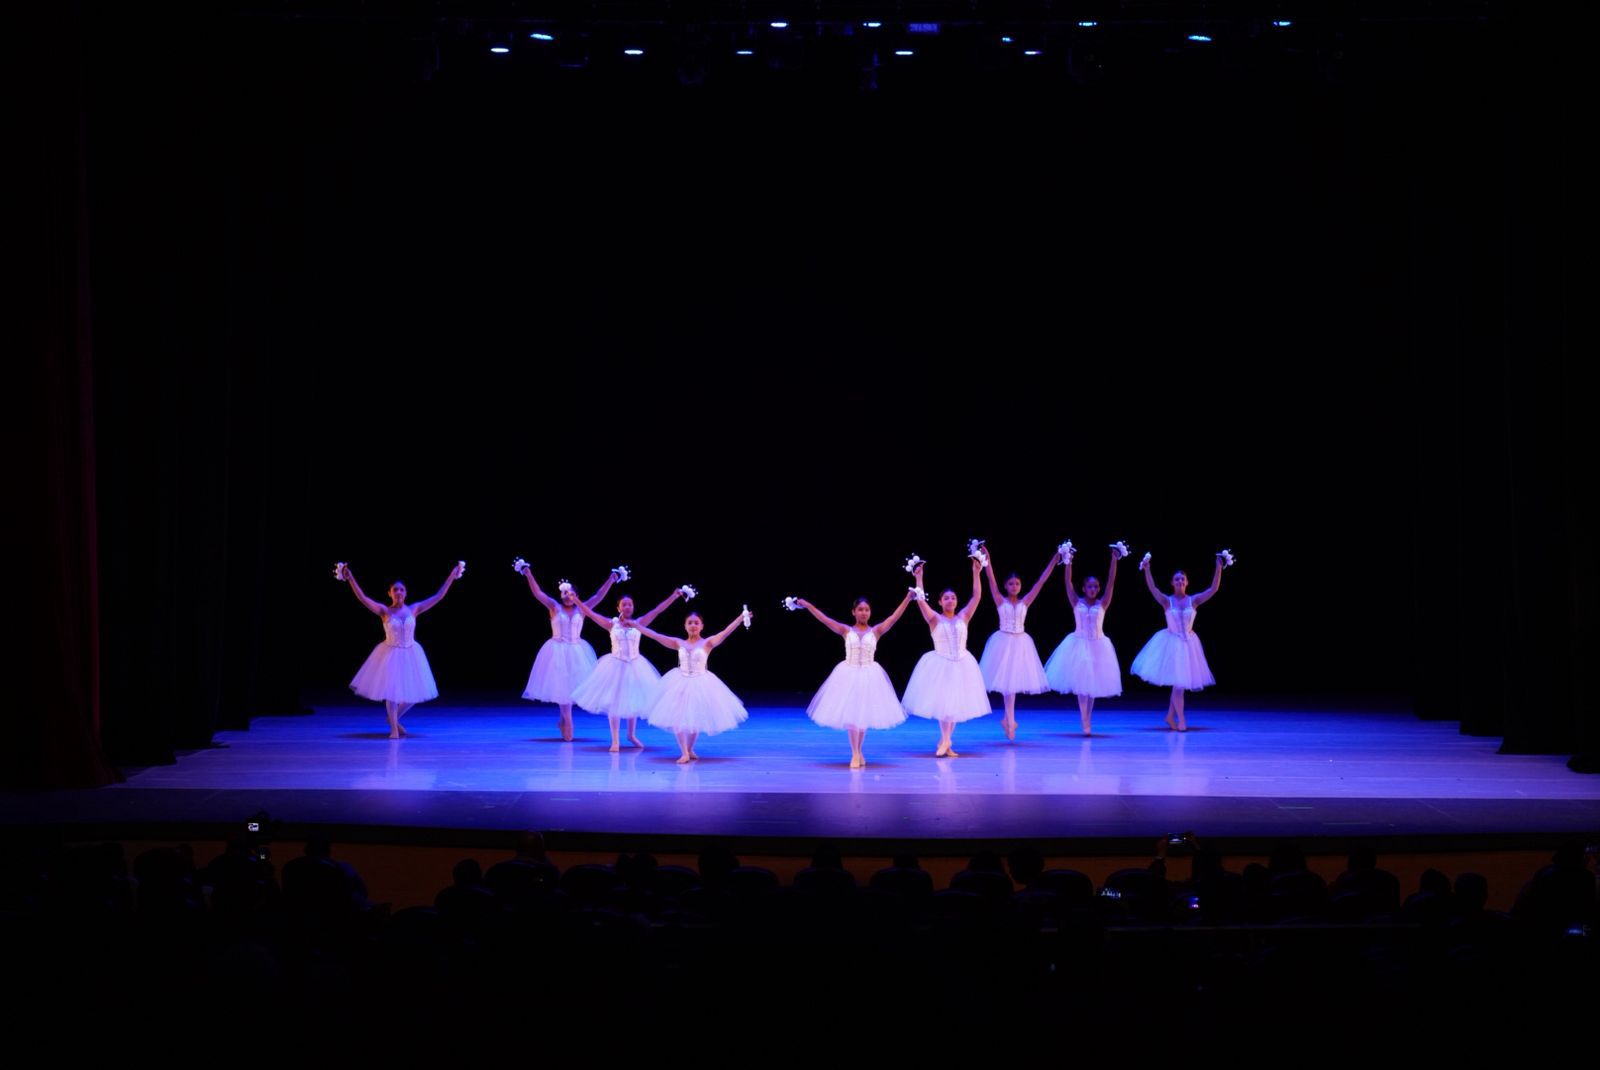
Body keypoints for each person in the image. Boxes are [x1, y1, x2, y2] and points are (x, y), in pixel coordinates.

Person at [798, 588, 916, 768]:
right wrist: (808, 606)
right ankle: (854, 754)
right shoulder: (846, 630)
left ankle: (859, 751)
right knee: (852, 718)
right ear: (853, 612)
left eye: (867, 610)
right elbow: (825, 619)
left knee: (862, 717)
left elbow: (894, 617)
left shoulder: (876, 631)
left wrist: (908, 598)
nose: (863, 612)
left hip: (870, 675)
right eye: (860, 609)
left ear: (870, 612)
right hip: (849, 674)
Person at [342, 562, 462, 738]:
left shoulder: (414, 609)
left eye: (401, 590)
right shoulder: (384, 611)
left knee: (413, 695)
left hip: (411, 653)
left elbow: (439, 596)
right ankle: (394, 728)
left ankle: (393, 718)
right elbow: (363, 598)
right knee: (391, 692)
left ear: (405, 593)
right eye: (395, 590)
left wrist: (452, 575)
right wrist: (350, 578)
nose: (398, 592)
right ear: (389, 593)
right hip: (390, 653)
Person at [570, 587, 685, 750]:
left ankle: (631, 735)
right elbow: (590, 613)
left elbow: (657, 610)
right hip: (615, 665)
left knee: (633, 700)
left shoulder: (639, 623)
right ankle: (615, 740)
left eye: (630, 604)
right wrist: (576, 600)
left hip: (635, 665)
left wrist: (673, 596)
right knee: (615, 702)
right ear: (618, 608)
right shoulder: (612, 624)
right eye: (624, 604)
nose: (627, 607)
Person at [519, 564, 621, 741]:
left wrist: (611, 579)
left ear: (577, 596)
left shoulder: (582, 608)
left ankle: (564, 719)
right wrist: (528, 574)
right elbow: (538, 593)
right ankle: (568, 720)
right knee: (561, 686)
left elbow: (598, 596)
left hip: (577, 651)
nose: (567, 596)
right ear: (561, 594)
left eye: (571, 593)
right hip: (556, 651)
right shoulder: (553, 607)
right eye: (565, 593)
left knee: (571, 688)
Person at [901, 559, 991, 757]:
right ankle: (946, 740)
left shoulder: (964, 617)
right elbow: (921, 600)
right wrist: (919, 577)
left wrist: (976, 572)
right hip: (941, 663)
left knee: (955, 704)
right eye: (946, 598)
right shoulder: (934, 618)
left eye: (953, 598)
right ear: (940, 602)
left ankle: (946, 741)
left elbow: (977, 596)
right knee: (944, 704)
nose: (950, 600)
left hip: (962, 663)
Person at [637, 608, 751, 762]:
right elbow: (656, 636)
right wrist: (636, 626)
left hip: (701, 681)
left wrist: (740, 619)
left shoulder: (708, 642)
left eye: (696, 623)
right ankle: (684, 752)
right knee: (677, 718)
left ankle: (690, 749)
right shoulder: (679, 642)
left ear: (702, 626)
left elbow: (725, 632)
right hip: (679, 681)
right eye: (690, 623)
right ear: (685, 626)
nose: (693, 625)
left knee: (695, 718)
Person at [1130, 553, 1224, 731]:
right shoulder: (1167, 601)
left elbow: (1213, 589)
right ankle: (1181, 720)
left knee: (1179, 683)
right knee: (1179, 684)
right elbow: (1153, 589)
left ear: (1187, 582)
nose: (1180, 581)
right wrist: (1147, 570)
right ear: (1172, 583)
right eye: (1176, 579)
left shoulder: (1193, 600)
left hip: (1188, 644)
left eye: (1182, 579)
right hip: (1171, 644)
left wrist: (1218, 567)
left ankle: (1170, 717)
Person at [977, 547, 1059, 740]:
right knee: (1007, 685)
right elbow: (990, 580)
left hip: (1021, 644)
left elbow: (1041, 582)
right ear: (1006, 586)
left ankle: (1009, 719)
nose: (1014, 586)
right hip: (1003, 642)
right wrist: (987, 559)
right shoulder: (999, 600)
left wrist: (1054, 562)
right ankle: (1010, 720)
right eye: (1011, 584)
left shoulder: (1025, 601)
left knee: (1011, 685)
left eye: (1017, 583)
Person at [1043, 544, 1124, 734]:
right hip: (1078, 644)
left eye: (1096, 586)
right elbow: (1067, 582)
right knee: (1081, 684)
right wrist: (1068, 561)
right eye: (1090, 586)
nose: (1093, 589)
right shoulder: (1076, 601)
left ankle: (1088, 717)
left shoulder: (1103, 602)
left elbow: (1111, 581)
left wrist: (1114, 559)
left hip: (1098, 644)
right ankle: (1083, 718)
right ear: (1084, 588)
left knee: (1092, 684)